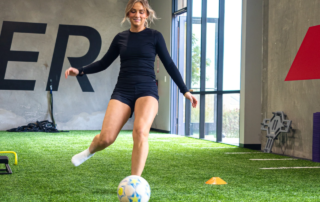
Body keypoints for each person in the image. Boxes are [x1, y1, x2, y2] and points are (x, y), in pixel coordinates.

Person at [64, 0, 198, 176]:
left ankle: (135, 181)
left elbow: (170, 64)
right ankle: (89, 151)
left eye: (141, 12)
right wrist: (80, 71)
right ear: (128, 14)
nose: (137, 15)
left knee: (141, 131)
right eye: (133, 11)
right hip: (123, 90)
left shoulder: (155, 36)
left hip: (147, 90)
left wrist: (185, 90)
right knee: (106, 138)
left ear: (147, 15)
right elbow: (104, 63)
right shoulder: (121, 38)